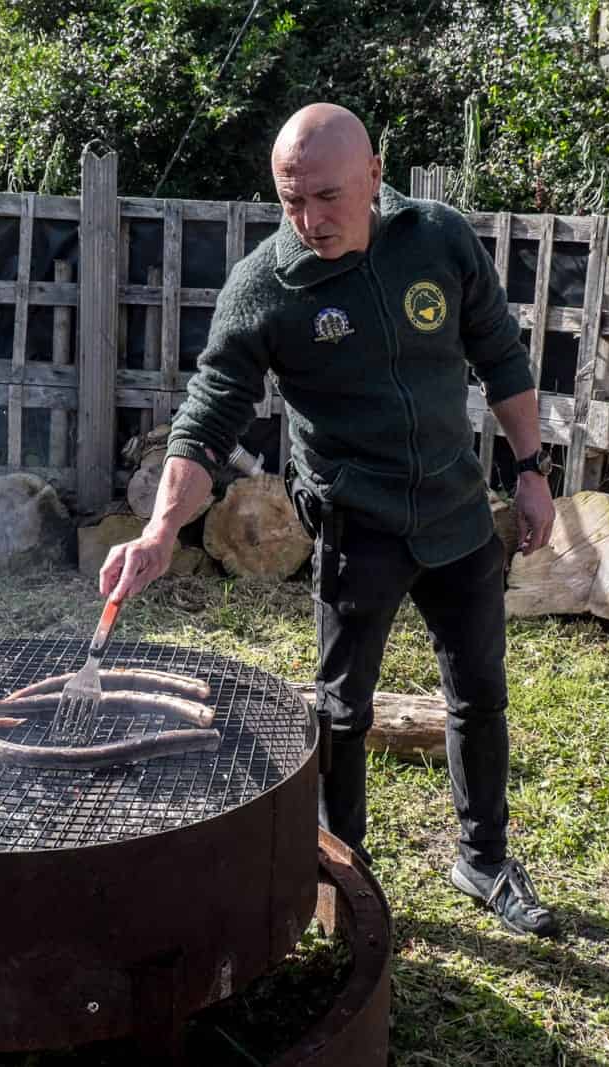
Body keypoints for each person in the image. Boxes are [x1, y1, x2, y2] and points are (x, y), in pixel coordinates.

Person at [100, 103, 559, 938]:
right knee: (343, 710)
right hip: (358, 528)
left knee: (480, 695)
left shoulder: (438, 239)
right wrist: (162, 529)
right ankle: (347, 870)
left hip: (457, 516)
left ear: (376, 176)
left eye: (328, 197)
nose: (310, 220)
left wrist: (529, 469)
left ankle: (484, 857)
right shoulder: (265, 288)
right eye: (291, 200)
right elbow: (207, 419)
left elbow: (499, 352)